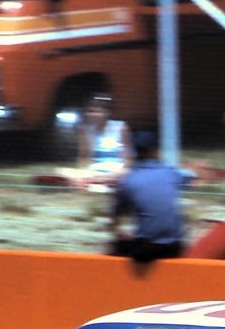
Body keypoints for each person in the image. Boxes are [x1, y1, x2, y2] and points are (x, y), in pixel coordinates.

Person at [109, 131, 186, 262]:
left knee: (114, 246)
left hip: (146, 249)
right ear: (156, 151)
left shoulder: (129, 179)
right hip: (174, 246)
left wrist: (120, 233)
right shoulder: (171, 173)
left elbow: (115, 217)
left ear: (135, 152)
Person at [62, 94, 132, 191]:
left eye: (98, 112)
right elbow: (84, 156)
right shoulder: (84, 130)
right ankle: (99, 182)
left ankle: (99, 181)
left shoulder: (120, 127)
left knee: (126, 173)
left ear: (107, 113)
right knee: (64, 172)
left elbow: (128, 158)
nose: (93, 115)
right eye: (90, 111)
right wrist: (81, 172)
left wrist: (119, 173)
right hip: (95, 171)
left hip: (116, 170)